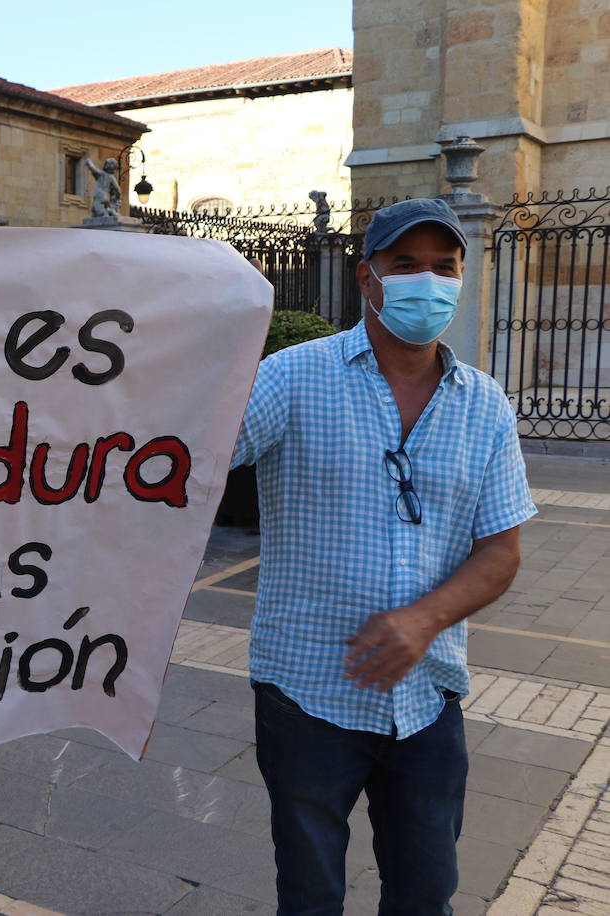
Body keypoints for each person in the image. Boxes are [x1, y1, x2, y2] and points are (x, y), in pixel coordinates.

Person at [230, 198, 535, 915]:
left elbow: (502, 551)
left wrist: (424, 620)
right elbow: (191, 462)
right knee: (308, 898)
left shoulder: (484, 405)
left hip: (427, 701)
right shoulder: (291, 377)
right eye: (406, 266)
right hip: (307, 693)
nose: (427, 283)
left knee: (426, 895)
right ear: (368, 279)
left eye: (443, 268)